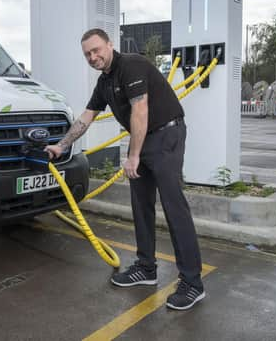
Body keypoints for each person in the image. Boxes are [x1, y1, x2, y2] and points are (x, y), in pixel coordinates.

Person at [45, 28, 205, 310]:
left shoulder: (131, 65)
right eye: (87, 54)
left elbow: (140, 111)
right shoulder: (104, 82)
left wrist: (133, 156)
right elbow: (86, 117)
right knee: (141, 205)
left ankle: (192, 283)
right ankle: (146, 268)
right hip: (143, 139)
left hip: (165, 135)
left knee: (173, 207)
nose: (93, 57)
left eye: (96, 50)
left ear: (110, 44)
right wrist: (62, 145)